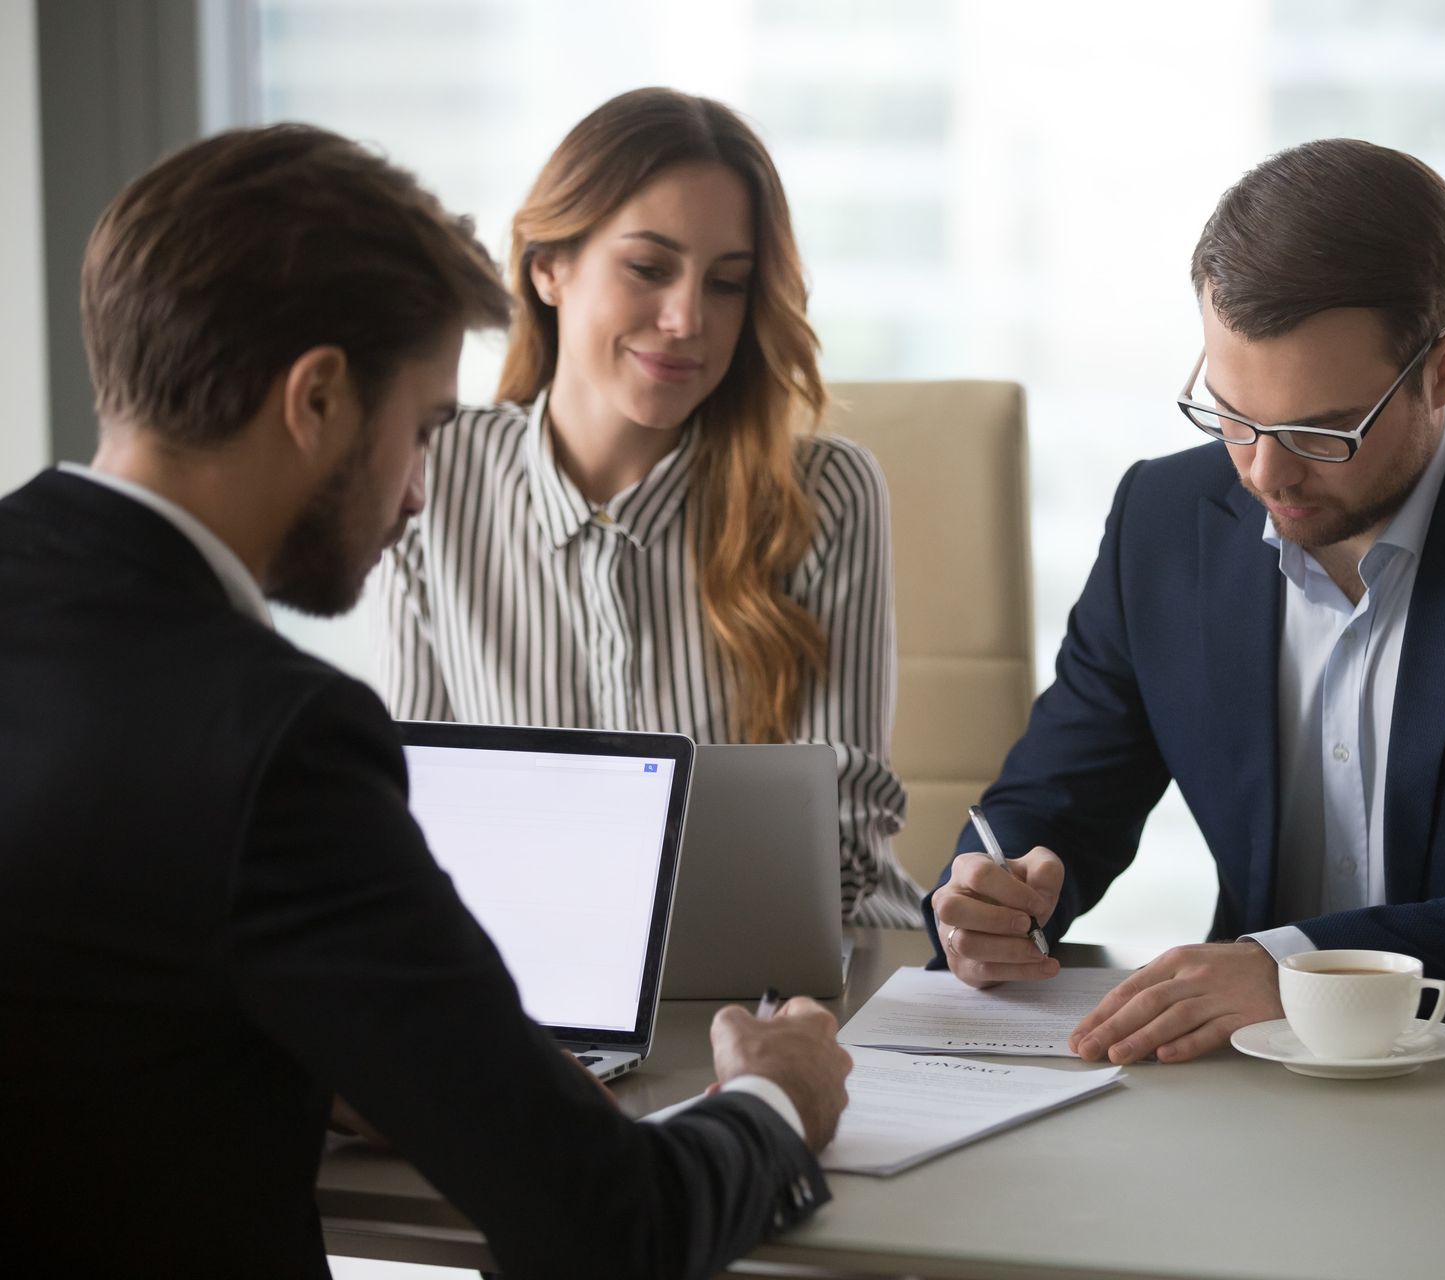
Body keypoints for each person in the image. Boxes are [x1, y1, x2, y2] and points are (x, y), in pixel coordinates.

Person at [0, 123, 851, 1278]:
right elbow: (610, 1225)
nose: (416, 492)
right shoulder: (278, 741)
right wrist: (774, 1097)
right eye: (422, 428)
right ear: (318, 399)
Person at [927, 138, 1445, 1067]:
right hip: (1254, 1078)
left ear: (1444, 367)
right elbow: (1056, 803)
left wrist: (1293, 968)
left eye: (1321, 430)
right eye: (1231, 414)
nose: (1266, 470)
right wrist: (995, 897)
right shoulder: (1164, 522)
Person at [373, 88, 921, 925]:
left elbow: (838, 850)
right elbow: (419, 812)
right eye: (648, 268)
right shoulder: (430, 472)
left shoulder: (826, 495)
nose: (686, 319)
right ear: (549, 267)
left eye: (729, 283)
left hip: (810, 972)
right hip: (542, 976)